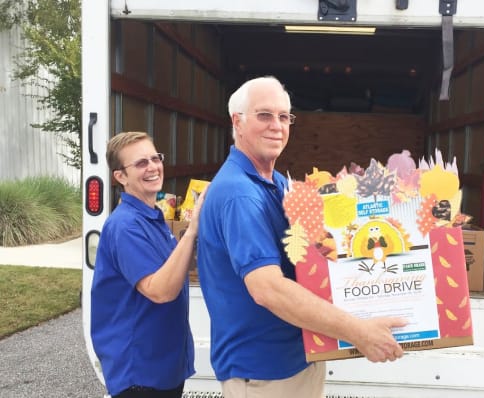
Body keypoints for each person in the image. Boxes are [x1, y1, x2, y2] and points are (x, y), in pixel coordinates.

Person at [197, 76, 407, 398]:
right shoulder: (239, 194)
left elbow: (316, 252)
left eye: (284, 117)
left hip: (294, 359)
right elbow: (268, 289)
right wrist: (359, 331)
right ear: (237, 122)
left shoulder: (276, 182)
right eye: (264, 115)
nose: (277, 126)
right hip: (264, 373)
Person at [91, 131, 206, 398]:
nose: (153, 167)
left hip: (163, 367)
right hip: (140, 374)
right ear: (121, 177)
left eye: (156, 158)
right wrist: (191, 231)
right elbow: (160, 290)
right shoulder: (126, 226)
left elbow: (174, 270)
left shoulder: (153, 218)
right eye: (141, 163)